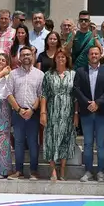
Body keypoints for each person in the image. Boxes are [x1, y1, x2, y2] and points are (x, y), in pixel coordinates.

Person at [74, 45, 104, 182]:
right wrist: (87, 103)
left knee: (101, 143)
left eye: (96, 53)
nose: (94, 56)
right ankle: (88, 171)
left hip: (101, 112)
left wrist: (98, 103)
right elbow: (77, 89)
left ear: (100, 54)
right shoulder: (80, 71)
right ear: (88, 56)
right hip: (86, 112)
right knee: (88, 144)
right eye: (91, 54)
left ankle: (101, 171)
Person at [7, 46, 45, 180]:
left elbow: (41, 95)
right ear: (19, 57)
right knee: (18, 142)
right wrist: (19, 109)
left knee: (34, 142)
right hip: (18, 113)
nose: (26, 57)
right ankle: (19, 171)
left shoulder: (40, 75)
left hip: (33, 113)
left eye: (28, 54)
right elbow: (9, 93)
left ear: (33, 56)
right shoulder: (13, 74)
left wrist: (32, 110)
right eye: (23, 55)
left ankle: (33, 171)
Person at [41, 48, 77, 181]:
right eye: (58, 57)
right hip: (52, 111)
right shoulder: (48, 75)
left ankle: (62, 168)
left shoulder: (73, 74)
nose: (61, 59)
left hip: (68, 111)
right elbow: (44, 94)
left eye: (63, 57)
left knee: (66, 138)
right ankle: (52, 169)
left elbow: (75, 96)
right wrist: (43, 112)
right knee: (51, 138)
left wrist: (76, 114)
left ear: (67, 59)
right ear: (54, 59)